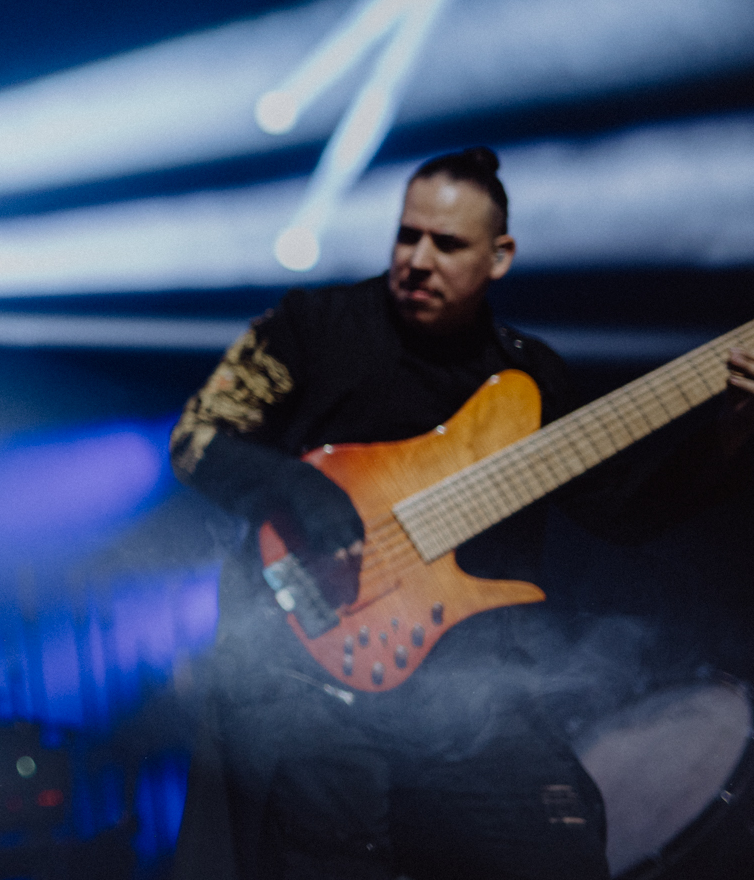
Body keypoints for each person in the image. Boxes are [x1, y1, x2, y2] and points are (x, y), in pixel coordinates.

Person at [167, 147, 754, 880]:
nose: (417, 260)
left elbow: (624, 512)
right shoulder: (313, 327)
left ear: (499, 257)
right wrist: (299, 489)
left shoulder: (530, 375)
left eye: (446, 244)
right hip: (309, 686)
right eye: (407, 235)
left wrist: (731, 438)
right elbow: (197, 440)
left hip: (469, 700)